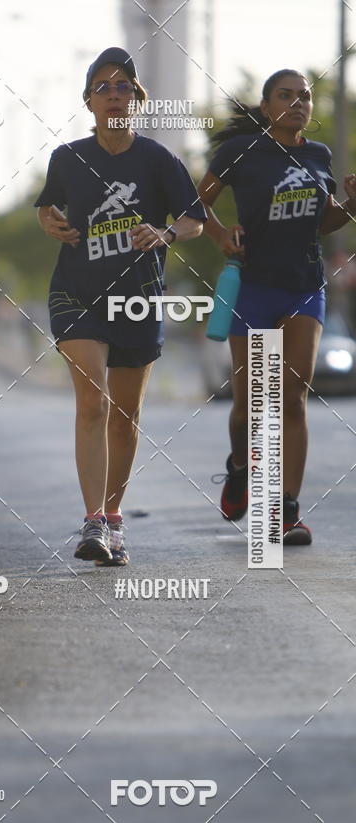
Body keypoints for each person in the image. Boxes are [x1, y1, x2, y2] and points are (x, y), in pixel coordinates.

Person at [35, 47, 206, 565]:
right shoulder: (68, 157)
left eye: (123, 86)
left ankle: (112, 519)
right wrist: (49, 220)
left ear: (136, 98)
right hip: (77, 293)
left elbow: (195, 218)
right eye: (103, 87)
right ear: (89, 101)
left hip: (137, 300)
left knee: (126, 415)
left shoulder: (157, 159)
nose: (114, 94)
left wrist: (165, 231)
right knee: (94, 400)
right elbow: (47, 205)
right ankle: (91, 521)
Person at [197, 69, 356, 545]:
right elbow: (193, 202)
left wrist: (350, 204)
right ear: (266, 107)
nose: (297, 102)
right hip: (254, 287)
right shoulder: (239, 153)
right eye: (285, 96)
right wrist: (223, 236)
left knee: (291, 397)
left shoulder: (317, 155)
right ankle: (239, 467)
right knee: (250, 405)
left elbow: (323, 221)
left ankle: (286, 511)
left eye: (304, 96)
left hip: (304, 286)